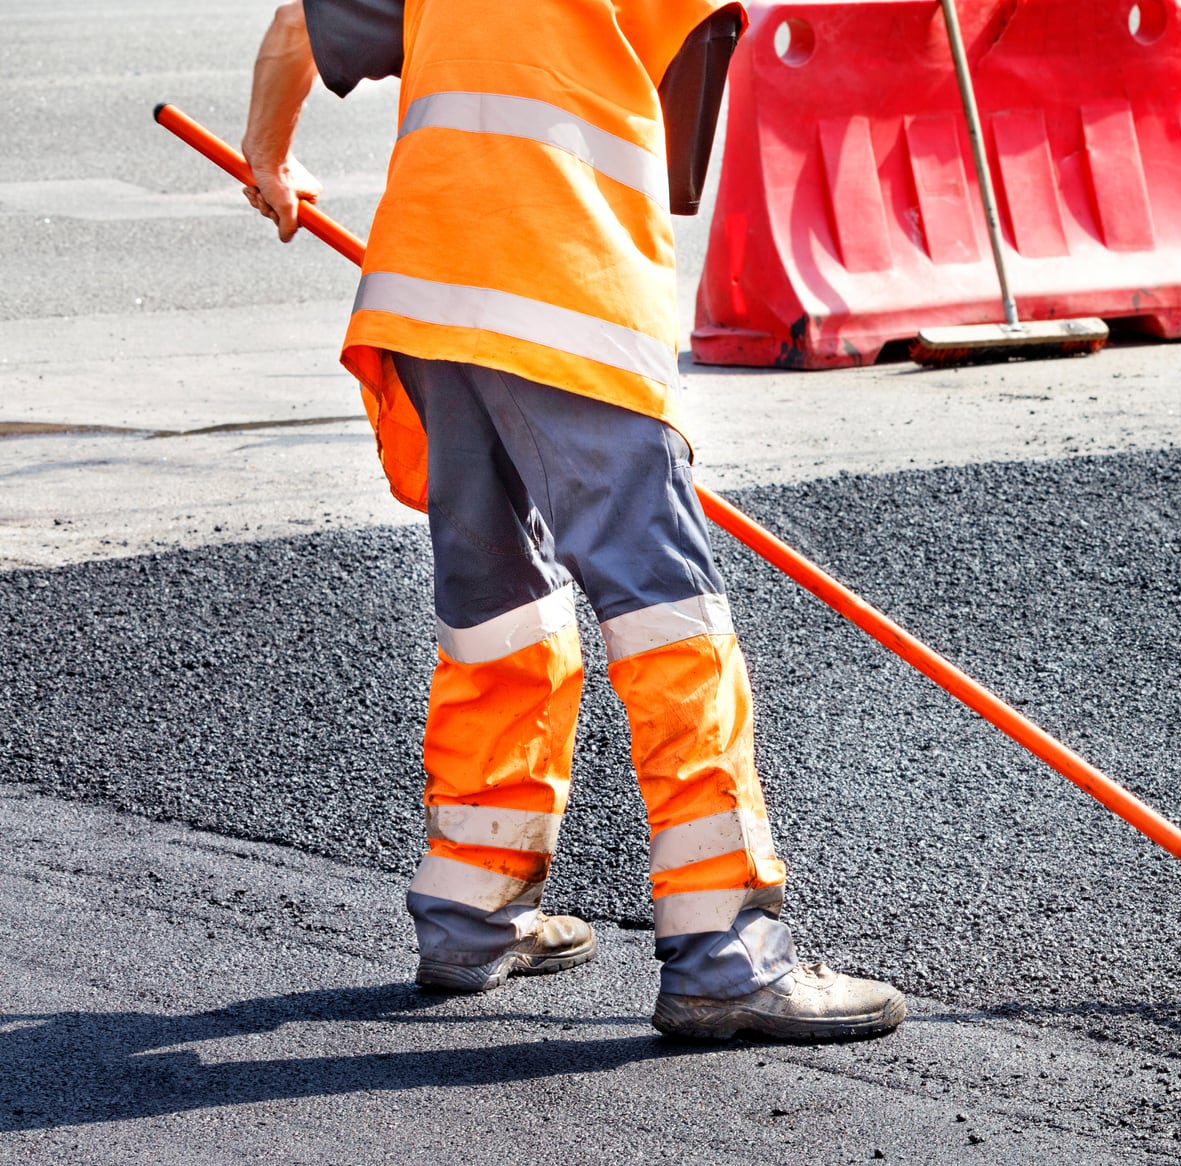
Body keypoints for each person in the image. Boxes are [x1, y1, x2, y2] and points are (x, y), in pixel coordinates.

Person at [238, 0, 904, 1042]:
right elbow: (707, 65)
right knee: (665, 605)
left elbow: (293, 29)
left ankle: (471, 912)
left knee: (499, 602)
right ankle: (726, 953)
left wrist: (268, 162)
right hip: (567, 290)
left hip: (427, 301)